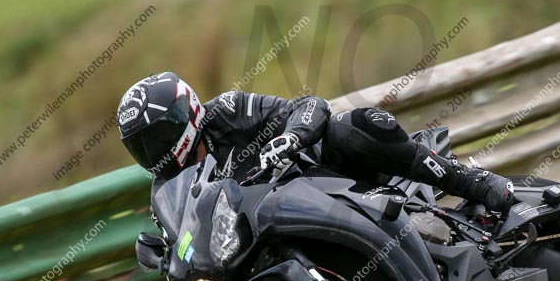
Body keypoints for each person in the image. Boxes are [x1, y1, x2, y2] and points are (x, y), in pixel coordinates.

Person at [116, 72, 513, 212]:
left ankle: (473, 183)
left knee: (351, 125)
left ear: (183, 115)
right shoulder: (167, 190)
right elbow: (179, 236)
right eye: (142, 147)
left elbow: (308, 105)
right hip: (277, 221)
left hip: (330, 173)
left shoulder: (228, 110)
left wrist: (291, 137)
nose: (153, 153)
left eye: (157, 138)